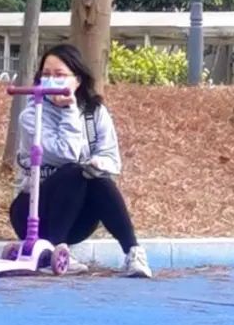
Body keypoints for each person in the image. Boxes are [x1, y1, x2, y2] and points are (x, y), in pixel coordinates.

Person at [10, 43, 152, 278]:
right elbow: (66, 154)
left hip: (76, 219)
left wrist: (98, 164)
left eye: (59, 75)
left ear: (77, 80)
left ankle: (133, 252)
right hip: (32, 212)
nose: (52, 81)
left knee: (97, 179)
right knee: (74, 171)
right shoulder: (31, 116)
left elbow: (112, 159)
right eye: (46, 74)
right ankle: (52, 251)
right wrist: (68, 110)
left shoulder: (95, 113)